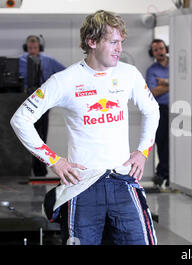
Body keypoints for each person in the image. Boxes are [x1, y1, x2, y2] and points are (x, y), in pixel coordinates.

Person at [10, 10, 160, 245]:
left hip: (123, 180)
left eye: (121, 42)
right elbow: (20, 120)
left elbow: (152, 111)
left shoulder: (129, 74)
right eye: (113, 42)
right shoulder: (64, 80)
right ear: (92, 42)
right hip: (82, 185)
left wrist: (143, 152)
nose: (120, 48)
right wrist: (54, 161)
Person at [19, 35, 65, 177]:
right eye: (30, 47)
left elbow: (64, 74)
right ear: (26, 47)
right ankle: (27, 170)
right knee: (26, 135)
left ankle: (40, 171)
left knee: (41, 135)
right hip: (25, 102)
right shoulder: (20, 61)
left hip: (44, 103)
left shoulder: (49, 61)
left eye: (35, 47)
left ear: (40, 48)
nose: (33, 50)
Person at [146, 39, 169, 188]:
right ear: (152, 53)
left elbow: (182, 83)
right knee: (161, 141)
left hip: (178, 108)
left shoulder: (175, 66)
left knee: (175, 142)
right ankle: (163, 172)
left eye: (161, 48)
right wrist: (172, 84)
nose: (159, 51)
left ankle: (171, 172)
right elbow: (153, 92)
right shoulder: (152, 70)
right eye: (156, 50)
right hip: (161, 108)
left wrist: (165, 83)